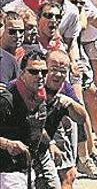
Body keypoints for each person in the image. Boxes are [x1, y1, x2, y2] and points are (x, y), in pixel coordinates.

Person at [0, 50, 87, 189]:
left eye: (43, 72)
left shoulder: (42, 93)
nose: (40, 76)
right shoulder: (7, 97)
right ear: (22, 73)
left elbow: (81, 118)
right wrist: (8, 144)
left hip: (33, 159)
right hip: (7, 170)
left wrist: (49, 143)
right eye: (34, 72)